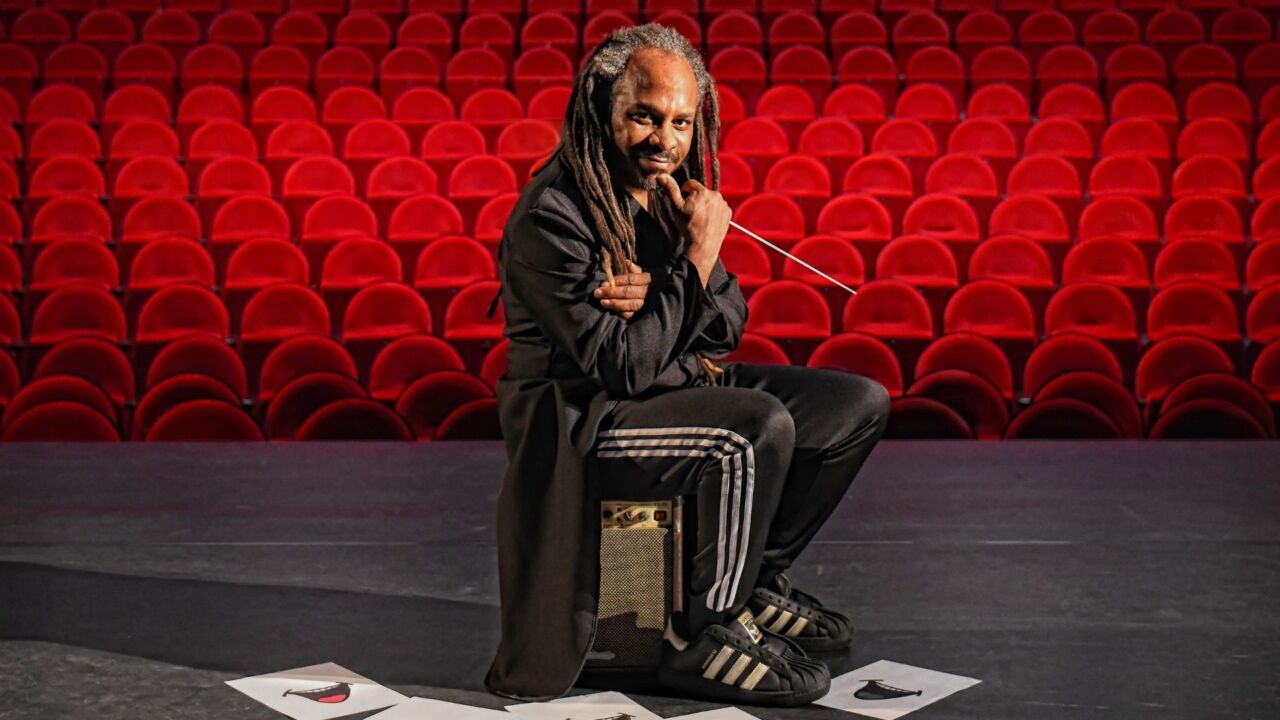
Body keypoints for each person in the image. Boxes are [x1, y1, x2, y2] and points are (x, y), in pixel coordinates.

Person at [485, 23, 890, 708]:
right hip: (584, 420)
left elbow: (726, 326)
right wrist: (695, 261)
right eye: (644, 116)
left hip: (666, 382)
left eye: (680, 122)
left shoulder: (663, 193)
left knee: (854, 405)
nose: (665, 140)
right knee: (751, 427)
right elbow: (624, 369)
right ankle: (706, 632)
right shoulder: (551, 215)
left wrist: (672, 281)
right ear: (601, 106)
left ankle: (753, 585)